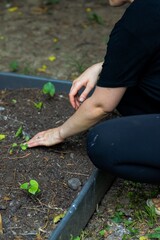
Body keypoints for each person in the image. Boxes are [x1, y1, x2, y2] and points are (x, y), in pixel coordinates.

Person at [27, 0, 160, 213]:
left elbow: (100, 105)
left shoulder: (140, 17)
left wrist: (60, 132)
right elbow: (144, 55)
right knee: (123, 87)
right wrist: (103, 68)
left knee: (105, 142)